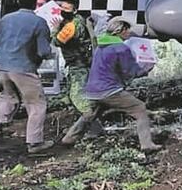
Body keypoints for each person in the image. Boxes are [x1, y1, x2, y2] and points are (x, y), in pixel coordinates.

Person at [61, 16, 160, 152]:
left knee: (91, 114)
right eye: (127, 30)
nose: (129, 33)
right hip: (109, 90)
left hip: (92, 89)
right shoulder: (120, 48)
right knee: (140, 108)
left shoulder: (100, 46)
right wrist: (145, 69)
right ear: (120, 31)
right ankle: (147, 144)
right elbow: (130, 72)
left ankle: (70, 137)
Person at [0, 0, 55, 155]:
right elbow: (43, 51)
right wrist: (50, 53)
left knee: (6, 97)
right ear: (36, 4)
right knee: (36, 104)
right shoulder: (39, 22)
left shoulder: (5, 19)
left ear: (18, 1)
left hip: (4, 67)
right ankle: (34, 143)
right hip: (24, 69)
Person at [52, 0, 93, 123]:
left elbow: (56, 41)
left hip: (78, 64)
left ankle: (92, 125)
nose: (63, 11)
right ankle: (79, 124)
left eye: (67, 9)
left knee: (77, 96)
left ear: (74, 10)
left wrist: (55, 28)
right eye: (62, 8)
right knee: (73, 94)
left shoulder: (71, 26)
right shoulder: (77, 20)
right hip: (80, 62)